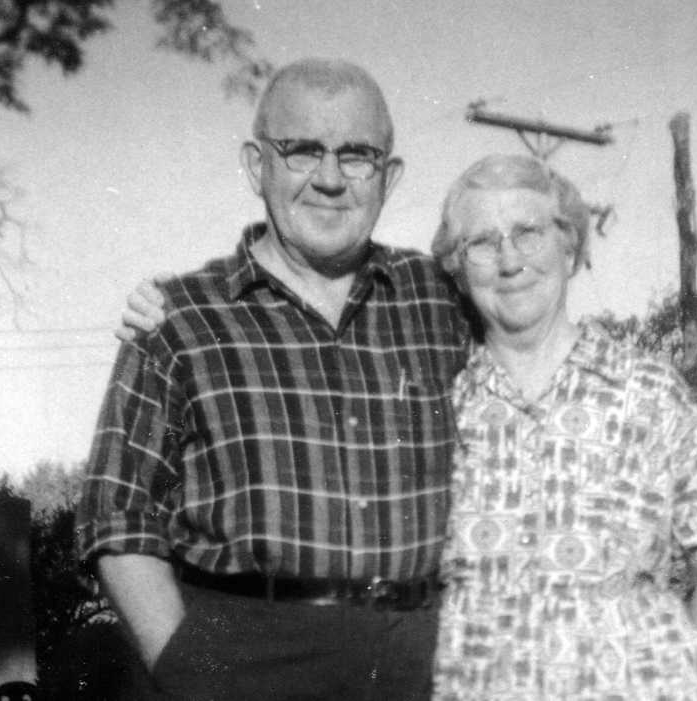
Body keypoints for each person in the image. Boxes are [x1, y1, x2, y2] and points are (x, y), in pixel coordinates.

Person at [121, 153, 697, 699]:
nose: (510, 260)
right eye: (483, 243)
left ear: (570, 244)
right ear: (457, 268)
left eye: (529, 232)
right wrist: (167, 309)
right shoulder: (443, 397)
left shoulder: (650, 391)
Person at [75, 57, 467, 701]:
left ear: (389, 176)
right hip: (244, 658)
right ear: (257, 165)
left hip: (427, 657)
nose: (330, 179)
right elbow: (117, 518)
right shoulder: (180, 320)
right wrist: (191, 671)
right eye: (302, 151)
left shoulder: (442, 300)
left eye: (357, 155)